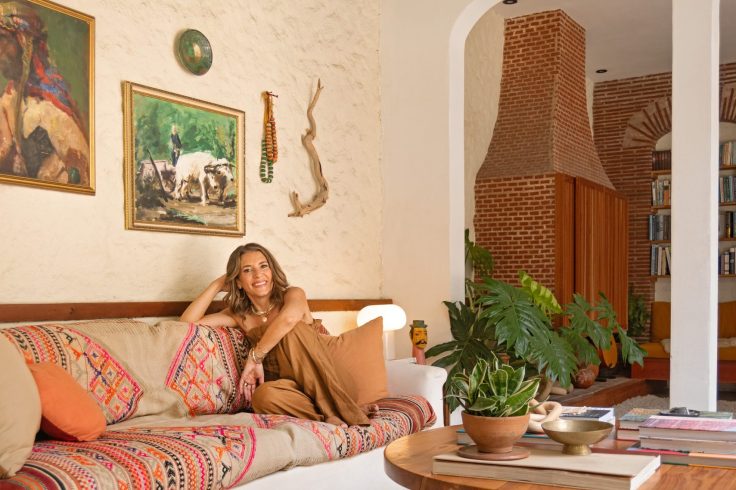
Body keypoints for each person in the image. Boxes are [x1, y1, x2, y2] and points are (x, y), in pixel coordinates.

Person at [180, 242, 375, 426]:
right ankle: (336, 415)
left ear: (272, 271)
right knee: (262, 397)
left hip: (332, 382)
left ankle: (337, 409)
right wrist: (217, 284)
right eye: (247, 270)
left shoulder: (294, 295)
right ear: (238, 281)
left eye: (263, 266)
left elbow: (288, 320)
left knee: (292, 330)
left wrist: (255, 357)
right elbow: (187, 324)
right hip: (294, 392)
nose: (258, 274)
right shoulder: (240, 315)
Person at [0, 1, 90, 185]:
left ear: (24, 43)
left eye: (3, 40)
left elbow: (82, 174)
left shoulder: (51, 106)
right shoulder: (8, 98)